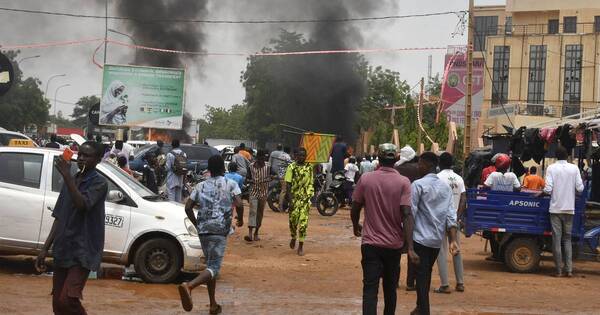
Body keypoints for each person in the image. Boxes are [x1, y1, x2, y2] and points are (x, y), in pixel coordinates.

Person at [35, 141, 108, 315]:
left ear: (98, 160)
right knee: (57, 304)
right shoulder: (73, 179)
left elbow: (82, 204)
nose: (81, 159)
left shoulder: (99, 183)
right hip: (63, 247)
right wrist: (44, 249)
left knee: (68, 300)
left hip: (83, 251)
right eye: (80, 154)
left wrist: (67, 176)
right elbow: (59, 216)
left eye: (87, 156)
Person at [351, 143, 416, 315]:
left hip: (371, 244)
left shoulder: (366, 179)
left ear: (378, 158)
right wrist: (409, 247)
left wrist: (355, 225)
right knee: (390, 290)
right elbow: (407, 214)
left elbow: (355, 206)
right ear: (396, 159)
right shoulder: (403, 182)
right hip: (393, 246)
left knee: (370, 290)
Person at [178, 155, 243, 314]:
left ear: (209, 169)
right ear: (223, 168)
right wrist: (240, 219)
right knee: (214, 267)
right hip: (220, 231)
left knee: (210, 268)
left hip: (204, 231)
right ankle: (189, 286)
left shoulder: (200, 186)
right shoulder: (230, 184)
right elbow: (240, 204)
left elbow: (188, 207)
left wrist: (198, 224)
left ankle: (213, 304)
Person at [410, 152, 460, 315]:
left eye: (420, 164)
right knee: (426, 272)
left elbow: (411, 213)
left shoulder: (418, 185)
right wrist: (452, 240)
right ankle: (419, 307)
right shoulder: (445, 188)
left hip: (420, 239)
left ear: (427, 165)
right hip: (436, 241)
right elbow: (450, 215)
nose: (418, 167)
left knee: (422, 276)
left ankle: (424, 310)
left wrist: (408, 241)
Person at [542, 145, 584, 277]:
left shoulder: (551, 168)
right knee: (567, 240)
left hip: (555, 209)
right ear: (567, 156)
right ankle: (569, 270)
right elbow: (580, 188)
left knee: (557, 240)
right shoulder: (574, 168)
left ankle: (559, 271)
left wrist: (542, 193)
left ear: (556, 156)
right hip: (569, 209)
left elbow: (548, 190)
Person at [433, 152, 466, 294]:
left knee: (441, 252)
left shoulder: (437, 178)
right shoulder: (459, 179)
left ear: (439, 163)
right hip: (454, 220)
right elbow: (464, 199)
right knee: (456, 251)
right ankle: (460, 283)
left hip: (440, 219)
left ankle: (445, 284)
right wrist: (457, 216)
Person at [394, 145, 420, 291]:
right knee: (412, 249)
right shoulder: (418, 168)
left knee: (396, 250)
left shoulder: (396, 169)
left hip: (397, 213)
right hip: (414, 214)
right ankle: (410, 283)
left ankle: (394, 281)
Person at [285, 147, 314, 256]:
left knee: (303, 223)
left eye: (303, 155)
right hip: (294, 198)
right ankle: (293, 237)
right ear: (296, 156)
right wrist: (290, 200)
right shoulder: (291, 167)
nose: (302, 157)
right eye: (300, 155)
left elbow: (311, 182)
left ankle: (301, 245)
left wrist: (310, 194)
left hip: (305, 199)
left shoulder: (309, 167)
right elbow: (288, 184)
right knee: (293, 221)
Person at [245, 150, 271, 242]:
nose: (262, 160)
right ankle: (250, 233)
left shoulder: (268, 167)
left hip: (263, 193)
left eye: (263, 158)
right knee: (253, 211)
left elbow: (273, 175)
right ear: (257, 158)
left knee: (260, 213)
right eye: (260, 158)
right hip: (253, 192)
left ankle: (256, 232)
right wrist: (250, 181)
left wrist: (270, 178)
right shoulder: (251, 166)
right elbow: (247, 178)